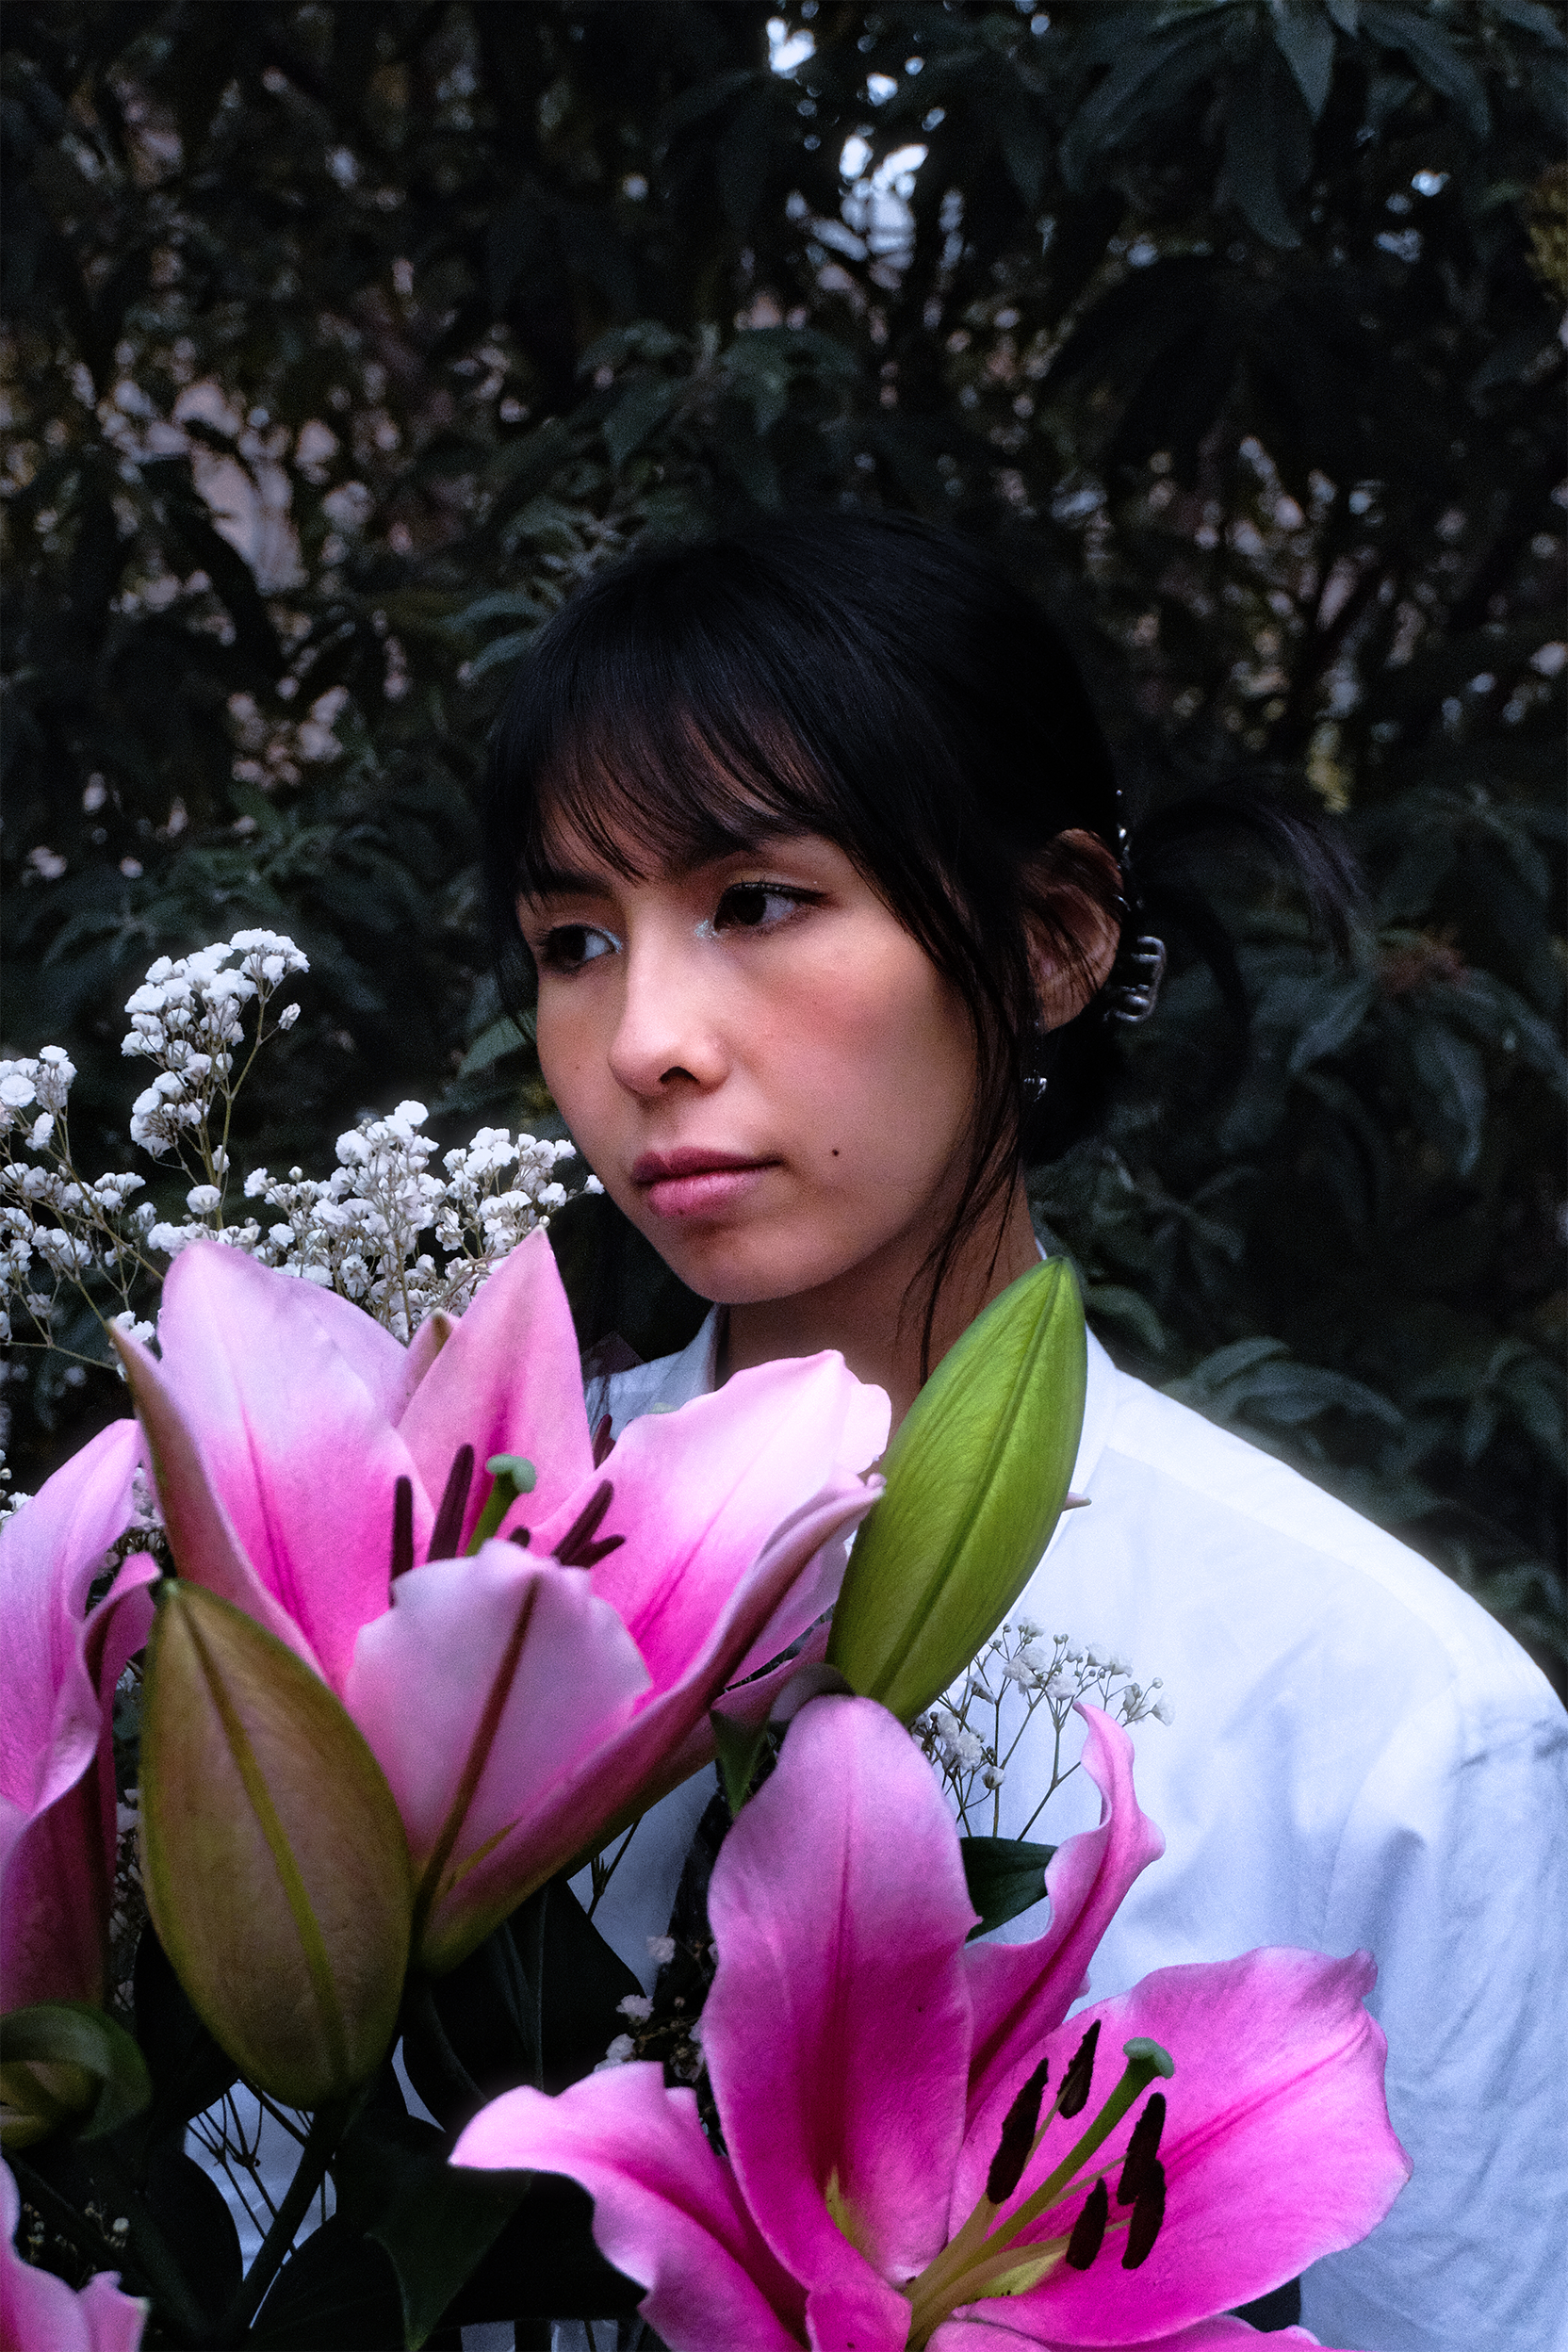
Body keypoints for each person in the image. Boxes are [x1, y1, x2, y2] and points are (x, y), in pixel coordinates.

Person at [482, 511, 1568, 2352]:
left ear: (1054, 938)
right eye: (573, 938)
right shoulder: (470, 1571)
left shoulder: (1394, 1721)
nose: (645, 1037)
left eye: (756, 901)